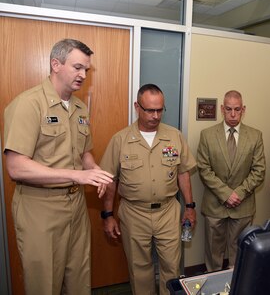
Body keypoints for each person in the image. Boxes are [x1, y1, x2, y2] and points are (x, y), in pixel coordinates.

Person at [3, 39, 114, 295]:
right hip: (40, 209)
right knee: (44, 284)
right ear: (56, 64)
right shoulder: (28, 104)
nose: (83, 75)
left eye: (86, 69)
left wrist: (95, 172)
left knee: (79, 280)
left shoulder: (79, 108)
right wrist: (78, 175)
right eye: (77, 67)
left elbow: (84, 154)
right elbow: (16, 167)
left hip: (76, 208)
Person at [100, 83, 196, 295]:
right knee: (139, 268)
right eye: (150, 110)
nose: (155, 115)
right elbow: (110, 180)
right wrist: (107, 215)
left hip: (168, 211)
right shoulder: (121, 140)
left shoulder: (174, 136)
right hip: (134, 213)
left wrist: (190, 206)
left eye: (160, 110)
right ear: (137, 107)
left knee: (171, 266)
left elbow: (183, 173)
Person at [197, 90, 266, 272]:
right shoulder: (207, 135)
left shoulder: (255, 136)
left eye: (237, 109)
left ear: (243, 109)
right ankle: (213, 285)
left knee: (240, 252)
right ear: (222, 109)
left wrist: (239, 194)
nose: (233, 114)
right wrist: (226, 194)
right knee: (213, 253)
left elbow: (259, 171)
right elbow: (204, 169)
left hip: (242, 206)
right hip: (214, 205)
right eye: (228, 109)